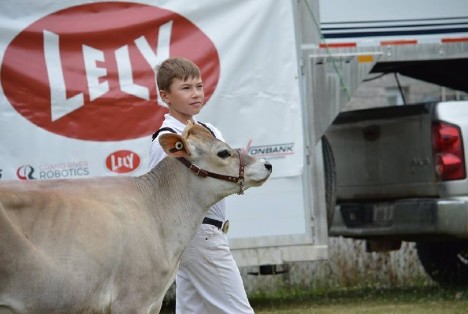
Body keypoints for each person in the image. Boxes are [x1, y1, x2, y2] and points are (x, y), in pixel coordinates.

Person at [149, 57, 254, 314]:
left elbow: (223, 170)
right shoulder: (166, 139)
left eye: (199, 86)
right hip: (198, 233)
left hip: (205, 233)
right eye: (185, 88)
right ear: (166, 96)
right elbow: (160, 193)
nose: (196, 94)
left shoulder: (208, 130)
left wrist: (240, 165)